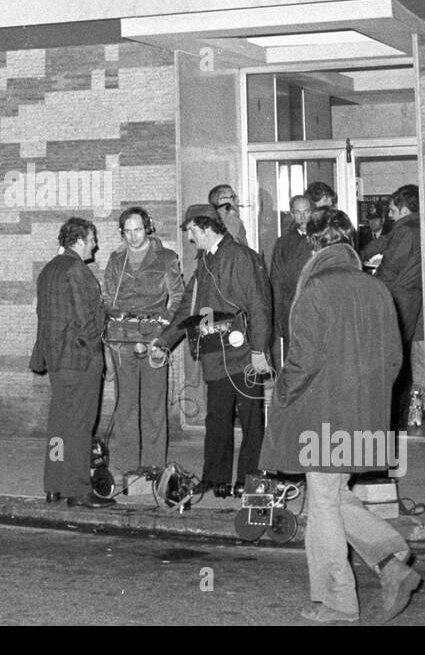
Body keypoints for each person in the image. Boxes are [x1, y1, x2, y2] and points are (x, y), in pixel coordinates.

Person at [268, 208, 420, 623]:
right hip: (363, 415)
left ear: (314, 244)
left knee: (321, 508)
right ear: (349, 243)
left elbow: (302, 361)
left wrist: (280, 397)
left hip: (322, 416)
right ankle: (391, 561)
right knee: (334, 496)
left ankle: (338, 602)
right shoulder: (376, 289)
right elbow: (394, 361)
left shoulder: (314, 289)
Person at [153, 205, 273, 497]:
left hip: (243, 354)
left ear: (207, 228)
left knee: (250, 420)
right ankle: (215, 477)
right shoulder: (206, 260)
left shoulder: (242, 257)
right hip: (214, 354)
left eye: (192, 230)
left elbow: (259, 306)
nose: (190, 238)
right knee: (217, 419)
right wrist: (164, 342)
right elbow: (187, 309)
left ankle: (250, 479)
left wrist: (259, 351)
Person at [30, 217, 114, 508]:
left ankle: (54, 485)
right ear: (78, 240)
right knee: (79, 425)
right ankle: (78, 489)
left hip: (56, 360)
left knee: (59, 425)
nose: (95, 245)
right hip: (80, 360)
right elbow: (87, 320)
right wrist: (97, 349)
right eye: (92, 239)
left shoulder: (49, 270)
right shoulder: (77, 269)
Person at [103, 207, 184, 475]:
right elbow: (108, 300)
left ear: (148, 228)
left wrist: (161, 336)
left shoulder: (166, 258)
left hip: (154, 341)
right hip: (122, 341)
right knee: (125, 406)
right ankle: (125, 466)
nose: (133, 236)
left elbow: (179, 300)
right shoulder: (116, 260)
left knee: (153, 406)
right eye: (127, 231)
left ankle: (153, 466)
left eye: (137, 229)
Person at [374, 184, 425, 428]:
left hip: (398, 301)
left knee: (395, 360)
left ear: (404, 209)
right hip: (411, 301)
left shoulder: (405, 232)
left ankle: (394, 417)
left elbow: (390, 269)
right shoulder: (418, 227)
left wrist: (369, 290)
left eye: (393, 210)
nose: (390, 215)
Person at [269, 195, 312, 353]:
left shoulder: (323, 239)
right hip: (292, 309)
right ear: (292, 215)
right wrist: (278, 315)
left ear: (312, 212)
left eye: (306, 211)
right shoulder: (283, 244)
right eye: (298, 212)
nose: (302, 216)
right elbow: (277, 281)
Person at [208, 183, 249, 248]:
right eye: (233, 197)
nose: (238, 201)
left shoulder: (211, 221)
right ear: (221, 201)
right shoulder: (231, 218)